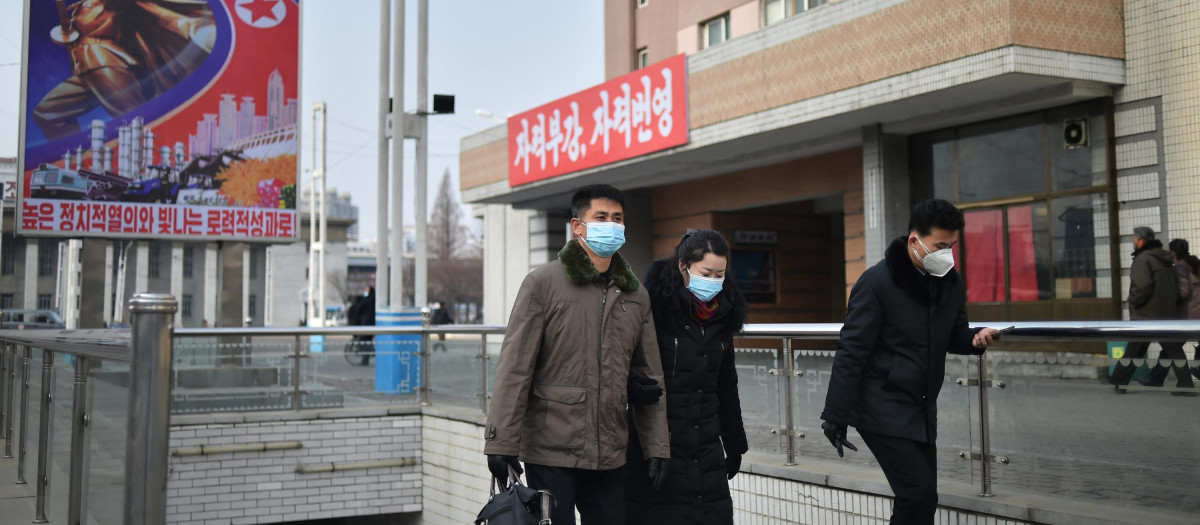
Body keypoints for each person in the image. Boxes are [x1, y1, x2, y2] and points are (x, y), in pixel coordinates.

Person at [484, 184, 670, 525]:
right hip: (551, 450)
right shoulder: (542, 284)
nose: (611, 225)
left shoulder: (635, 295)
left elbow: (650, 377)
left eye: (617, 218)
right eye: (601, 217)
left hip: (611, 453)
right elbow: (515, 367)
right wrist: (500, 443)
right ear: (577, 226)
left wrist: (657, 446)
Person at [821, 199, 1002, 525]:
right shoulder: (876, 283)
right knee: (917, 495)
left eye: (952, 246)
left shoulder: (950, 281)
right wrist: (835, 414)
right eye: (940, 246)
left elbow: (954, 334)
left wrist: (975, 340)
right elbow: (852, 350)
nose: (947, 253)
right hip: (880, 407)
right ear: (914, 241)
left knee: (923, 500)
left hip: (920, 409)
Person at [624, 229, 748, 525]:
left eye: (720, 274)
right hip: (658, 447)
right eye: (707, 272)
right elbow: (620, 363)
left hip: (706, 447)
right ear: (683, 266)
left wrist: (734, 441)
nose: (714, 281)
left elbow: (727, 385)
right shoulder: (653, 311)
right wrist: (632, 387)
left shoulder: (722, 316)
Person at [1108, 228, 1194, 393]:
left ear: (1141, 241)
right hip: (1165, 312)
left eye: (1135, 239)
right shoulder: (1164, 258)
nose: (1134, 242)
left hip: (1147, 313)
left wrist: (1133, 302)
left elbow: (1142, 286)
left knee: (1134, 349)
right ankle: (1186, 384)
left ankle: (1118, 382)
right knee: (1173, 349)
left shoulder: (1143, 259)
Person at [346, 286, 375, 366]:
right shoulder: (375, 300)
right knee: (368, 341)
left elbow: (359, 310)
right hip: (373, 324)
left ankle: (365, 358)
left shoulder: (366, 300)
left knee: (365, 341)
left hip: (366, 324)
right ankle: (366, 358)